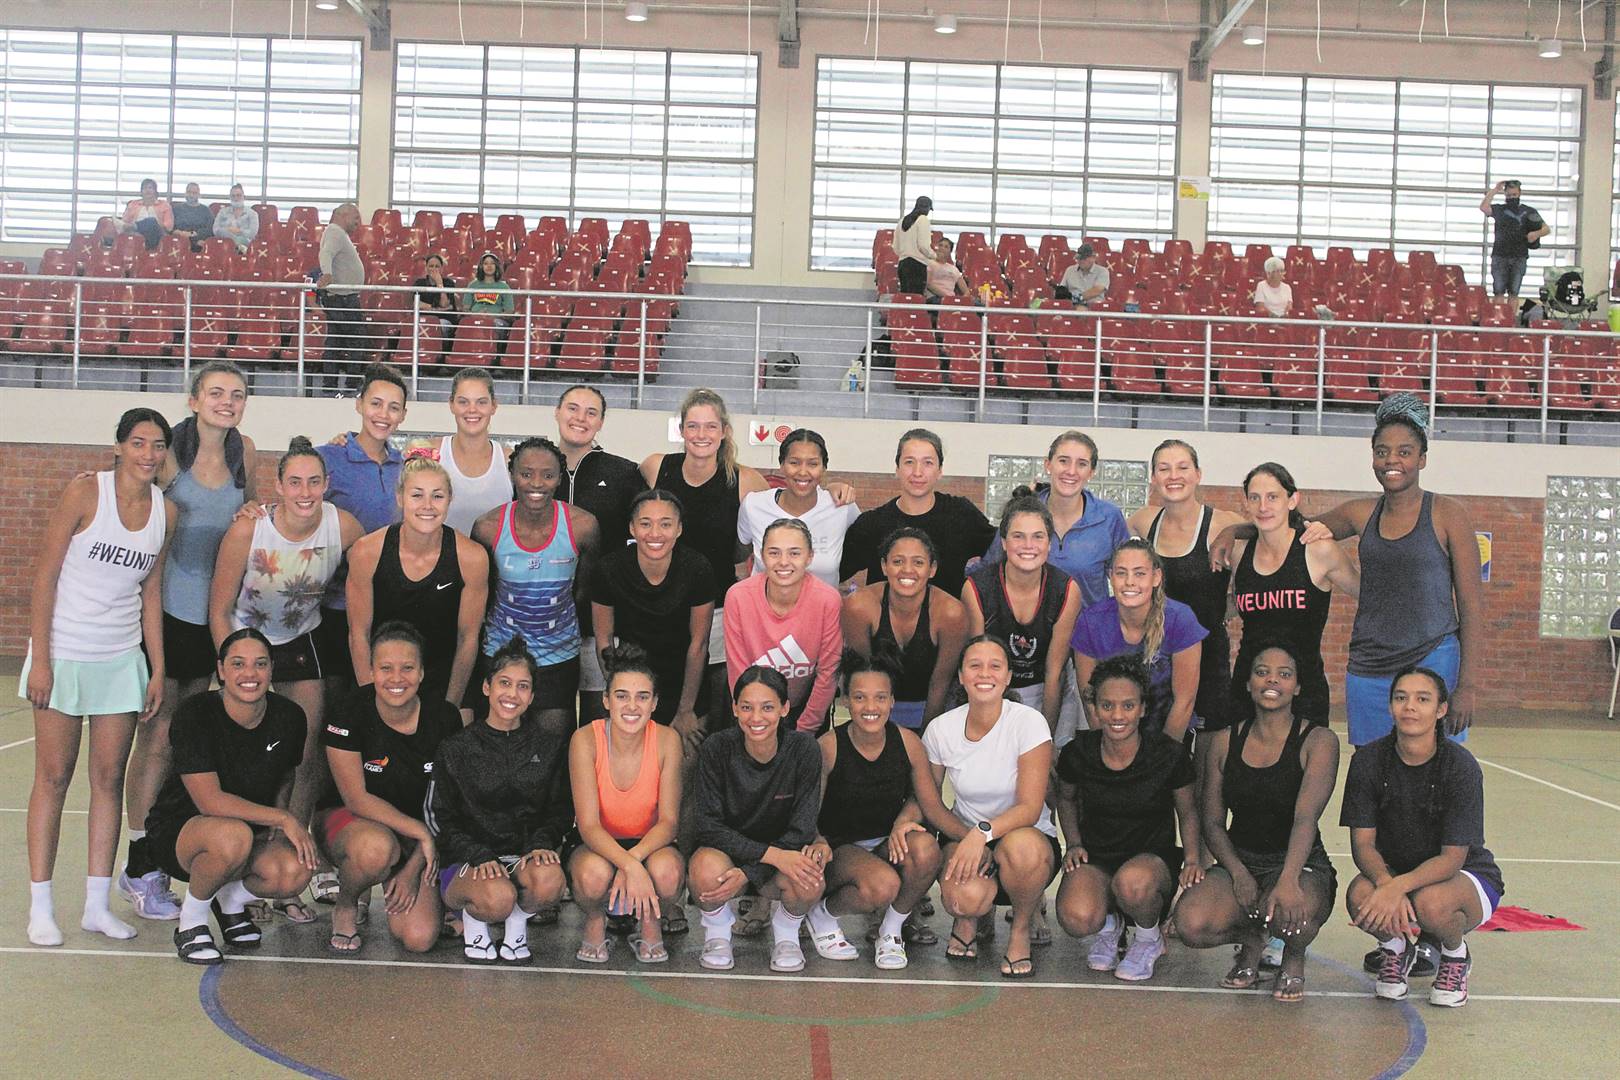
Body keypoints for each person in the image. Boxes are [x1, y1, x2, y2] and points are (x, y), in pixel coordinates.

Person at [24, 410, 174, 947]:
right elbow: (45, 577)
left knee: (108, 780)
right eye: (138, 443)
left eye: (158, 445)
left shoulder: (165, 511)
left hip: (120, 658)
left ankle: (96, 906)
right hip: (65, 652)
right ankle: (41, 906)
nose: (148, 454)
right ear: (118, 447)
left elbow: (151, 592)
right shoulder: (86, 493)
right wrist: (41, 660)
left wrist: (156, 666)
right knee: (53, 777)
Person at [120, 361, 259, 921]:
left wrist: (252, 510)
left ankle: (171, 849)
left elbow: (251, 520)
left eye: (237, 394)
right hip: (166, 613)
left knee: (187, 742)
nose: (227, 401)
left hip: (216, 619)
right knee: (155, 737)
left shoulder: (246, 451)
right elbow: (128, 492)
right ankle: (140, 864)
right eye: (216, 392)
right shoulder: (170, 455)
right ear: (194, 399)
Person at [209, 436, 364, 920]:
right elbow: (218, 609)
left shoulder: (343, 526)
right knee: (248, 756)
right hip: (247, 644)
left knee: (306, 751)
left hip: (301, 639)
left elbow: (376, 566)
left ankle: (291, 864)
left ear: (327, 484)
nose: (305, 492)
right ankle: (241, 870)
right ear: (278, 486)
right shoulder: (249, 530)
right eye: (294, 482)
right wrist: (232, 668)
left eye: (314, 482)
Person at [1173, 644, 1340, 1003]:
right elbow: (1213, 822)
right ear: (1249, 683)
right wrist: (1238, 872)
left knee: (1292, 916)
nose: (1272, 680)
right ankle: (1252, 941)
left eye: (1284, 674)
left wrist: (1288, 879)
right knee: (1190, 923)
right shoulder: (1224, 741)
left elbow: (1305, 819)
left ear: (1297, 686)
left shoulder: (1319, 741)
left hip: (1299, 861)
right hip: (1241, 859)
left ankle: (1293, 955)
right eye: (1263, 672)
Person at [145, 630, 317, 964]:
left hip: (247, 830)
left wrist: (278, 822)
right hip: (181, 832)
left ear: (272, 669)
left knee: (296, 868)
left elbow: (286, 774)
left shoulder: (290, 716)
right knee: (232, 835)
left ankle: (230, 901)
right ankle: (191, 923)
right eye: (238, 664)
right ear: (221, 670)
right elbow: (210, 802)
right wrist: (282, 818)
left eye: (260, 664)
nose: (249, 674)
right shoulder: (195, 714)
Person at [1342, 667, 1504, 1008]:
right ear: (1390, 706)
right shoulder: (1368, 761)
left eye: (1423, 699)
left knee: (1432, 904)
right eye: (1401, 698)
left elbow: (1452, 858)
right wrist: (1386, 882)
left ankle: (1455, 954)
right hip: (1396, 871)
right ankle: (1396, 949)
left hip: (1464, 876)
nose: (1410, 707)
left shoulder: (1460, 767)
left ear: (1441, 710)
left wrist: (1396, 888)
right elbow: (1363, 844)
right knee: (1359, 895)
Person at [1054, 657, 1202, 983]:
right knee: (1076, 916)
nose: (1117, 715)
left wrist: (1192, 858)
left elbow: (1188, 811)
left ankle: (1148, 938)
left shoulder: (1167, 754)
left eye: (1128, 705)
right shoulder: (1078, 752)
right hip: (1098, 859)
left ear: (1143, 708)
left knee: (1133, 884)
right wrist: (1074, 843)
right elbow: (1065, 798)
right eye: (1107, 705)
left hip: (1151, 864)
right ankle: (1111, 926)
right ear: (1094, 707)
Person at [917, 636, 1058, 979]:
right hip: (966, 836)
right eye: (974, 666)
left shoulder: (1028, 722)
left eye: (995, 666)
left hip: (1025, 838)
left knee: (1022, 848)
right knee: (964, 898)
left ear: (1008, 676)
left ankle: (1020, 929)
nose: (984, 674)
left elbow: (1029, 807)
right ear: (961, 676)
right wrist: (968, 837)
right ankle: (968, 919)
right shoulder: (941, 729)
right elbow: (930, 803)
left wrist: (983, 834)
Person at [317, 622, 462, 953]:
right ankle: (347, 903)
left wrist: (414, 865)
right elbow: (356, 798)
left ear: (422, 673)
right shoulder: (348, 711)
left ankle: (423, 891)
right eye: (385, 668)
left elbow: (447, 806)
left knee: (419, 937)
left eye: (407, 668)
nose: (397, 678)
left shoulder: (445, 718)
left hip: (415, 835)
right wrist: (420, 833)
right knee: (376, 850)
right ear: (371, 671)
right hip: (352, 823)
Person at [427, 638, 572, 964]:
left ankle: (516, 927)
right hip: (468, 863)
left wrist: (542, 842)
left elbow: (561, 810)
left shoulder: (548, 746)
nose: (512, 694)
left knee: (550, 880)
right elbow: (438, 817)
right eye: (504, 683)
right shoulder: (456, 748)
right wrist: (476, 854)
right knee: (497, 896)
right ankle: (474, 922)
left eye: (523, 686)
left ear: (532, 696)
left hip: (520, 858)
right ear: (486, 687)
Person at [640, 388, 771, 729]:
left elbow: (776, 523)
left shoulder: (746, 481)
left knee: (714, 706)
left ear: (724, 431)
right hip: (661, 605)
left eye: (711, 426)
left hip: (718, 607)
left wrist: (835, 490)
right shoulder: (655, 467)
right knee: (659, 698)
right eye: (693, 426)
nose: (702, 435)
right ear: (681, 429)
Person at [810, 650, 943, 969]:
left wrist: (905, 821)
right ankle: (821, 914)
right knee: (883, 886)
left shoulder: (908, 742)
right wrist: (817, 841)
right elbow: (807, 813)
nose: (871, 707)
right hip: (839, 850)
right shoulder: (828, 746)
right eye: (860, 697)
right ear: (845, 700)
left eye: (880, 697)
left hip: (886, 844)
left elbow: (928, 803)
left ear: (892, 701)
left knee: (926, 848)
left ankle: (891, 931)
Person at [688, 666, 826, 973]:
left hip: (781, 854)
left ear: (785, 708)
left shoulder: (804, 749)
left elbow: (802, 829)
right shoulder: (716, 748)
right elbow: (708, 825)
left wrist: (751, 871)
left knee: (809, 876)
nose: (756, 717)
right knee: (704, 870)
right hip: (730, 853)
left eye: (767, 707)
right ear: (735, 708)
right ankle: (717, 932)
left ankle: (787, 934)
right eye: (747, 707)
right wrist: (765, 859)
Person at [566, 644, 685, 964]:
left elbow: (669, 822)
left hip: (651, 844)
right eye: (621, 696)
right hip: (596, 844)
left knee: (668, 873)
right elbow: (588, 825)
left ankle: (650, 920)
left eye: (642, 697)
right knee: (592, 875)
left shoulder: (668, 740)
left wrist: (634, 860)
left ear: (654, 703)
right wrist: (630, 866)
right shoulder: (584, 739)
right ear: (606, 700)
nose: (632, 706)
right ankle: (595, 918)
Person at [471, 437, 600, 735]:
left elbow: (584, 592)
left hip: (558, 654)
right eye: (526, 474)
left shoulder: (583, 526)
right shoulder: (487, 528)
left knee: (553, 749)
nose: (537, 483)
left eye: (548, 475)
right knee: (498, 743)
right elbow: (485, 596)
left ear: (560, 478)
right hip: (501, 652)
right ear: (512, 475)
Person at [1223, 462, 1360, 728]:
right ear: (1246, 504)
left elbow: (1369, 597)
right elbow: (1233, 607)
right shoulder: (1239, 554)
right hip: (1249, 687)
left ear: (1292, 500)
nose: (1263, 506)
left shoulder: (1319, 550)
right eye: (1255, 498)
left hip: (1305, 690)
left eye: (1273, 497)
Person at [347, 457, 489, 712]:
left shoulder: (472, 558)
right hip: (385, 677)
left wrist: (450, 708)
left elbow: (468, 639)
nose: (427, 506)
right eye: (417, 495)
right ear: (400, 498)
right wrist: (371, 703)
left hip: (444, 678)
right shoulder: (366, 552)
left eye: (437, 496)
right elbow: (358, 634)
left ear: (450, 499)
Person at [1127, 439, 1245, 741]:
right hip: (1155, 657)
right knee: (1154, 744)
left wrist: (1221, 611)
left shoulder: (1223, 524)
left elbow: (1265, 558)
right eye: (1164, 469)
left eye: (1182, 467)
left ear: (1198, 474)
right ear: (1154, 477)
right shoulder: (1143, 521)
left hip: (1208, 658)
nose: (1173, 476)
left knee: (1208, 751)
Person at [553, 384, 647, 723]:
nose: (580, 418)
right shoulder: (536, 468)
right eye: (572, 408)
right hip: (545, 622)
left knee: (598, 721)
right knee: (552, 722)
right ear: (557, 412)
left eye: (591, 412)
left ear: (601, 422)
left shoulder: (623, 473)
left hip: (601, 622)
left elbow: (641, 541)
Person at [590, 490, 716, 739]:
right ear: (632, 528)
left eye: (665, 524)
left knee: (685, 751)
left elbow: (699, 644)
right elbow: (604, 639)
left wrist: (686, 709)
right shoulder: (608, 569)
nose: (655, 534)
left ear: (679, 529)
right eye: (645, 524)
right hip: (632, 678)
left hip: (685, 684)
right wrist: (619, 694)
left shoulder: (698, 569)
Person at [314, 363, 408, 694]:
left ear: (403, 415)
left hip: (388, 605)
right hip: (335, 605)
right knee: (336, 701)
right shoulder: (327, 457)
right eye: (376, 403)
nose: (383, 414)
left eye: (393, 407)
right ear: (359, 404)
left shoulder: (404, 468)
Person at [963, 489, 1082, 736]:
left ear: (1049, 543)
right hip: (991, 686)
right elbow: (977, 668)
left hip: (1046, 689)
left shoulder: (1067, 590)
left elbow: (1054, 673)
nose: (1029, 546)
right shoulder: (976, 588)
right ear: (1004, 542)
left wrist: (1045, 739)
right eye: (1018, 536)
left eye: (1038, 537)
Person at [1071, 540, 1206, 742]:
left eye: (1140, 573)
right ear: (1110, 577)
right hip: (1112, 737)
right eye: (1121, 573)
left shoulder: (1180, 619)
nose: (1129, 582)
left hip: (1168, 736)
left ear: (1156, 577)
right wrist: (1111, 749)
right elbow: (1090, 700)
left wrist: (1164, 754)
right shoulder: (1090, 622)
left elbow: (1184, 702)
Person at [841, 429, 996, 599]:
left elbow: (1002, 554)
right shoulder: (873, 524)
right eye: (909, 462)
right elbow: (831, 570)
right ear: (897, 468)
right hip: (884, 617)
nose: (917, 472)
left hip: (949, 616)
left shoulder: (962, 515)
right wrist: (826, 494)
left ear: (940, 470)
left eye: (928, 463)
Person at [841, 528, 969, 730]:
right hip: (875, 708)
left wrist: (927, 738)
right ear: (884, 566)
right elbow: (863, 677)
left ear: (932, 569)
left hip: (932, 710)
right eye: (898, 561)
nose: (907, 570)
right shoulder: (859, 606)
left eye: (918, 562)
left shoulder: (951, 613)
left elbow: (940, 683)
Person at [724, 519, 844, 735]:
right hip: (752, 708)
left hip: (806, 709)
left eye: (794, 553)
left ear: (810, 557)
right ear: (761, 555)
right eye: (774, 553)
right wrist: (753, 717)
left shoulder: (828, 600)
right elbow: (738, 669)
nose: (784, 562)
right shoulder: (738, 597)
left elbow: (828, 672)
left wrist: (805, 730)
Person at [987, 431, 1129, 608]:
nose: (1071, 471)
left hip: (1088, 625)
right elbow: (988, 572)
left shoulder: (1109, 518)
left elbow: (1128, 577)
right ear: (1048, 465)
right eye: (1063, 461)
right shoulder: (1021, 512)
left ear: (1091, 472)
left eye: (1082, 464)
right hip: (1029, 624)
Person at [738, 429, 859, 589]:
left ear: (824, 468)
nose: (802, 471)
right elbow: (742, 552)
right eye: (794, 462)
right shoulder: (754, 505)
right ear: (782, 465)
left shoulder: (842, 506)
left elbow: (859, 551)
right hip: (763, 603)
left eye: (813, 464)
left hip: (823, 604)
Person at [438, 368, 511, 535]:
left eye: (481, 402)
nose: (472, 409)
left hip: (495, 553)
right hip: (440, 552)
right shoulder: (431, 454)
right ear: (451, 404)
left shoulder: (509, 460)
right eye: (463, 402)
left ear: (494, 406)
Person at [316, 202, 367, 392]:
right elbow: (326, 253)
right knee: (356, 340)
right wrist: (327, 274)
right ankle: (351, 384)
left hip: (340, 297)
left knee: (335, 341)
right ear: (344, 215)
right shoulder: (336, 232)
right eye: (356, 217)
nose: (358, 222)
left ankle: (330, 385)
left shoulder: (335, 233)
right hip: (343, 298)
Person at [1479, 180, 1548, 300]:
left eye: (1514, 195)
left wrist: (1536, 234)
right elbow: (1484, 207)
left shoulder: (1529, 211)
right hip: (1500, 255)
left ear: (1520, 193)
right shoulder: (1499, 209)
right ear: (1505, 194)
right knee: (1498, 292)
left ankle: (1511, 313)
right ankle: (1499, 313)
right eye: (1509, 195)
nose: (1512, 198)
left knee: (1514, 293)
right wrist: (1495, 190)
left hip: (1519, 256)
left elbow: (1546, 229)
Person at [892, 196, 933, 296]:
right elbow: (923, 246)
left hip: (903, 264)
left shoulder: (902, 221)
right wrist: (933, 256)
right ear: (927, 208)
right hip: (917, 265)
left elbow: (895, 247)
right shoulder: (923, 219)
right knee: (916, 298)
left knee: (905, 297)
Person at [464, 252, 516, 324]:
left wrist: (494, 316)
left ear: (496, 266)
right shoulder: (472, 285)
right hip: (474, 319)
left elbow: (509, 311)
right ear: (481, 267)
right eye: (486, 264)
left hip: (496, 320)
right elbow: (465, 309)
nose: (489, 266)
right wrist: (475, 315)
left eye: (492, 263)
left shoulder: (504, 287)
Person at [121, 178, 172, 249]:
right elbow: (124, 223)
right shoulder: (133, 204)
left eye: (150, 188)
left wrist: (152, 225)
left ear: (155, 191)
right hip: (135, 235)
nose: (147, 190)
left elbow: (169, 227)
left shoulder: (164, 205)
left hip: (157, 236)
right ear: (141, 192)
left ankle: (136, 226)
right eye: (145, 188)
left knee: (151, 221)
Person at [413, 253, 460, 326]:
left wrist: (439, 284)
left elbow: (444, 304)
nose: (434, 269)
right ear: (426, 268)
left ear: (441, 269)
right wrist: (437, 308)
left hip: (444, 319)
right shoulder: (419, 283)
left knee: (440, 325)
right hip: (423, 318)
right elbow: (417, 304)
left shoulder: (449, 283)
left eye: (437, 266)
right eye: (431, 266)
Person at [1058, 244, 1110, 309]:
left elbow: (1098, 289)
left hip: (1095, 306)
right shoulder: (1070, 270)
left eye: (1084, 259)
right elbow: (1062, 289)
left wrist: (1077, 298)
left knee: (1081, 309)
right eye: (1079, 258)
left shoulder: (1102, 271)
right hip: (1073, 306)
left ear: (1093, 258)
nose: (1081, 261)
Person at [212, 184, 259, 252]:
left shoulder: (252, 214)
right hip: (224, 246)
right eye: (233, 196)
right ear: (230, 197)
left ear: (244, 197)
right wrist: (228, 231)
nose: (236, 198)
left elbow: (252, 233)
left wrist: (238, 231)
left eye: (238, 195)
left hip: (245, 248)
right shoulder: (222, 212)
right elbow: (215, 230)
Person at [170, 182, 215, 252]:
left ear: (199, 195)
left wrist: (193, 235)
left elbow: (210, 229)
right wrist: (180, 233)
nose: (191, 195)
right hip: (179, 242)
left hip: (199, 243)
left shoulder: (206, 211)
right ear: (185, 193)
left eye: (194, 193)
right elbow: (171, 228)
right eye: (189, 192)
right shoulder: (176, 209)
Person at [924, 237, 969, 302]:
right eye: (940, 245)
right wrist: (947, 296)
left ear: (950, 252)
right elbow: (928, 284)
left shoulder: (954, 269)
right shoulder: (929, 263)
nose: (942, 248)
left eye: (946, 247)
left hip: (951, 300)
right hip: (935, 298)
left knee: (978, 304)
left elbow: (966, 291)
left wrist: (961, 301)